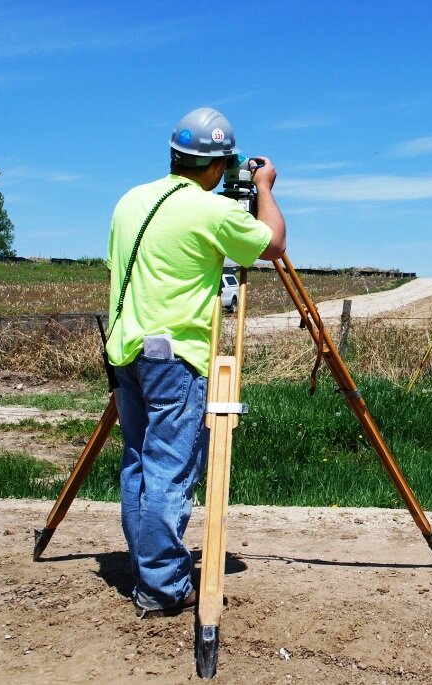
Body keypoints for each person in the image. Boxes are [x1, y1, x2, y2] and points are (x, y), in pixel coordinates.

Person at [105, 107, 285, 617]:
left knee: (139, 462)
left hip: (126, 351)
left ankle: (146, 566)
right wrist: (264, 188)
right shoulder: (212, 212)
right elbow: (273, 243)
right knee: (169, 469)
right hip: (175, 357)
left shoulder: (130, 201)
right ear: (217, 165)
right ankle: (162, 587)